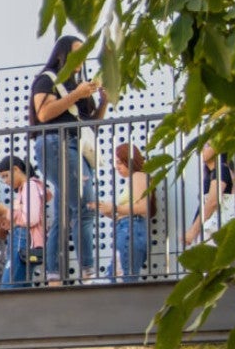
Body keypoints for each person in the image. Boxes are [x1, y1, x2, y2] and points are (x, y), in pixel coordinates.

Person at [30, 35, 108, 284]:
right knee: (86, 207)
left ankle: (54, 275)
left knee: (65, 212)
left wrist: (104, 100)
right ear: (62, 54)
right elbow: (43, 114)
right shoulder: (48, 79)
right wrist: (75, 94)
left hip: (76, 144)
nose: (81, 59)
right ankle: (88, 271)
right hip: (56, 142)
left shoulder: (79, 86)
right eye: (76, 53)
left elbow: (89, 125)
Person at [97, 143, 152, 282]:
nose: (117, 167)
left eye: (120, 162)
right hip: (127, 228)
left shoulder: (138, 176)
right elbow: (127, 212)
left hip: (131, 230)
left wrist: (115, 208)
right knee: (116, 275)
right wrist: (108, 211)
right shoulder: (134, 179)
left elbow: (143, 207)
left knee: (124, 277)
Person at [0, 156, 47, 288]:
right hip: (23, 241)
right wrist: (11, 223)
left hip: (24, 242)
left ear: (16, 169)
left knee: (8, 286)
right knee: (20, 286)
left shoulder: (30, 186)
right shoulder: (26, 188)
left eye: (6, 176)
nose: (5, 181)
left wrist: (6, 211)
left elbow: (31, 219)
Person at [183, 143, 235, 246]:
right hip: (213, 232)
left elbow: (212, 202)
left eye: (207, 145)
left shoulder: (222, 170)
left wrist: (193, 231)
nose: (202, 148)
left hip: (217, 232)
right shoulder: (214, 173)